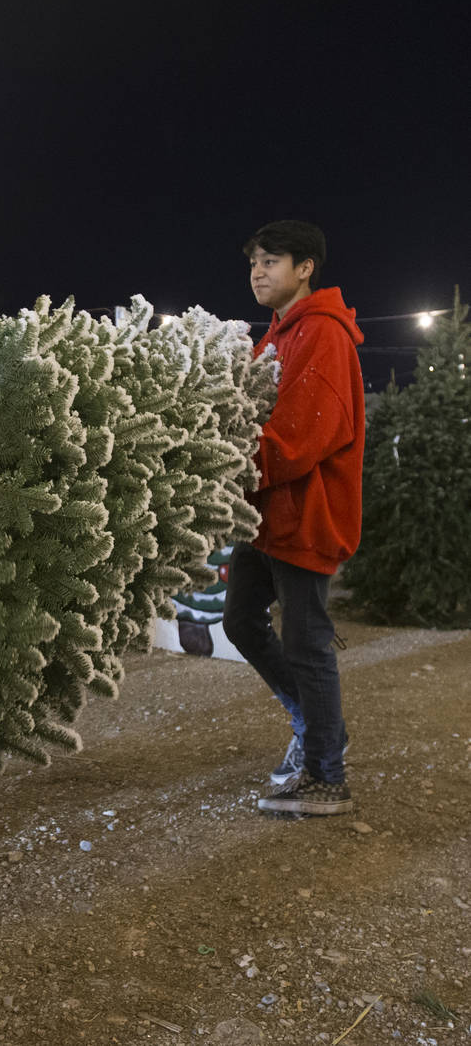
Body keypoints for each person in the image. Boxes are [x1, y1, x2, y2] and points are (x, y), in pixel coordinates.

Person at [222, 220, 364, 816]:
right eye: (253, 261)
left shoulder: (322, 336)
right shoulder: (278, 336)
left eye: (271, 260)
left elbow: (301, 435)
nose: (258, 270)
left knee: (307, 644)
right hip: (267, 514)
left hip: (306, 513)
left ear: (305, 267)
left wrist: (231, 464)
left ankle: (328, 777)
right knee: (239, 620)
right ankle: (312, 722)